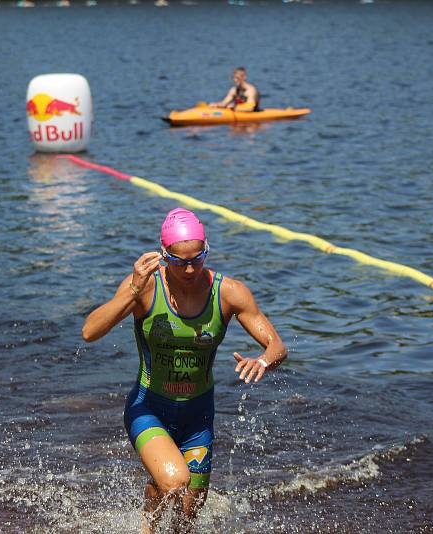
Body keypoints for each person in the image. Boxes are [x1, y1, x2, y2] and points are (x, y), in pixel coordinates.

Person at [82, 208, 287, 532]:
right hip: (148, 407)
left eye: (197, 258)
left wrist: (262, 361)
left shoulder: (229, 292)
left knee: (187, 520)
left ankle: (156, 499)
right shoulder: (146, 288)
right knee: (176, 480)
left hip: (198, 417)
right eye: (179, 261)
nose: (190, 268)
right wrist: (133, 290)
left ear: (206, 251)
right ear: (164, 256)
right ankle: (146, 527)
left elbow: (277, 345)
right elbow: (89, 332)